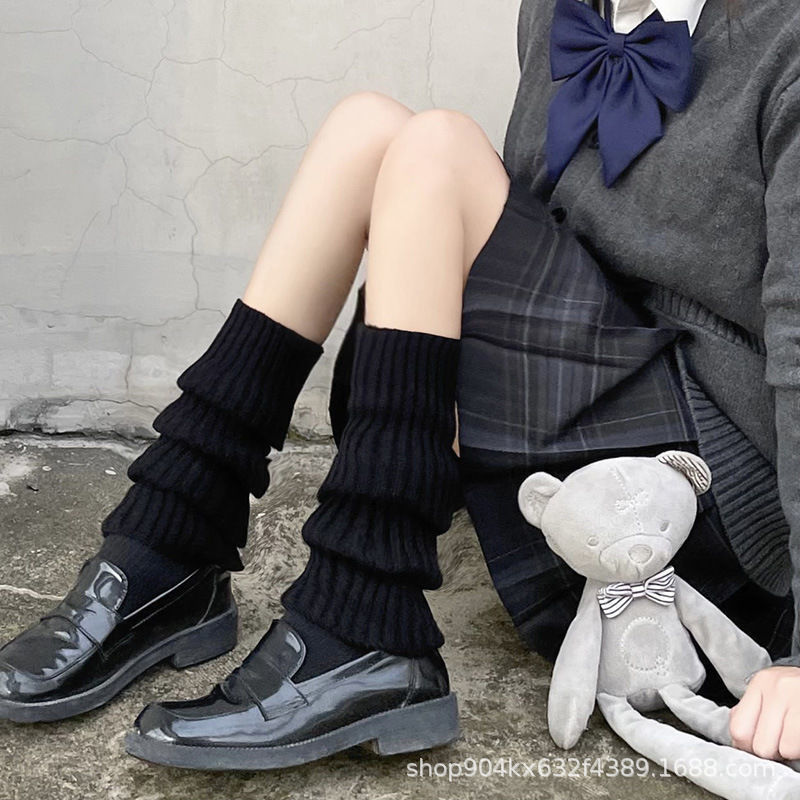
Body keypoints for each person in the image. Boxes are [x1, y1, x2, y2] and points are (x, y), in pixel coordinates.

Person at [1, 0, 799, 774]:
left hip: (686, 509)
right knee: (369, 127)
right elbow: (539, 236)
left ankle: (364, 617)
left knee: (438, 148)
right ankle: (173, 537)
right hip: (568, 459)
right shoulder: (562, 8)